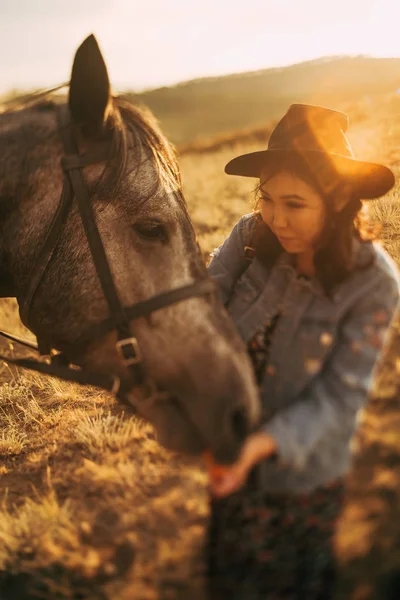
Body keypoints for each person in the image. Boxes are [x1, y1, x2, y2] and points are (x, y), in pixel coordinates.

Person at [206, 103, 400, 599]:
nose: (275, 218)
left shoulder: (374, 284)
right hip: (230, 454)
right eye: (267, 199)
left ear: (338, 200)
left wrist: (261, 445)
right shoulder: (248, 237)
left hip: (305, 476)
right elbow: (202, 318)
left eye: (294, 204)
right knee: (229, 576)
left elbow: (340, 400)